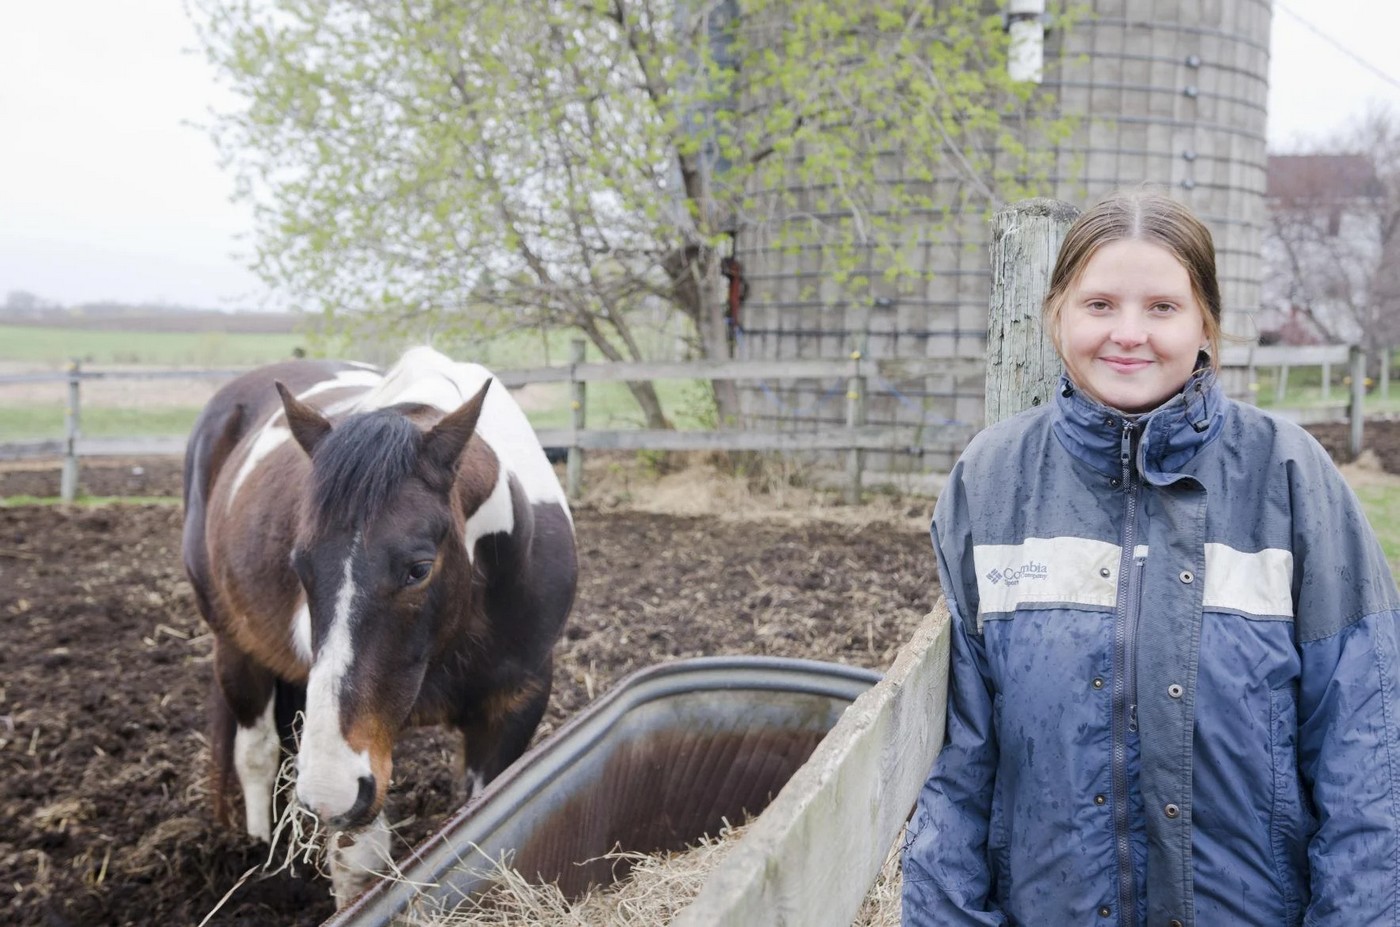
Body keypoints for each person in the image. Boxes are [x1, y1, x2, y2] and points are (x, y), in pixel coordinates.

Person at [901, 190, 1400, 926]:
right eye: (1099, 303)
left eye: (1162, 307)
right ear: (1056, 316)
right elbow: (955, 769)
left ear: (1207, 325)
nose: (1128, 333)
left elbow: (1366, 757)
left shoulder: (1290, 479)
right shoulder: (993, 480)